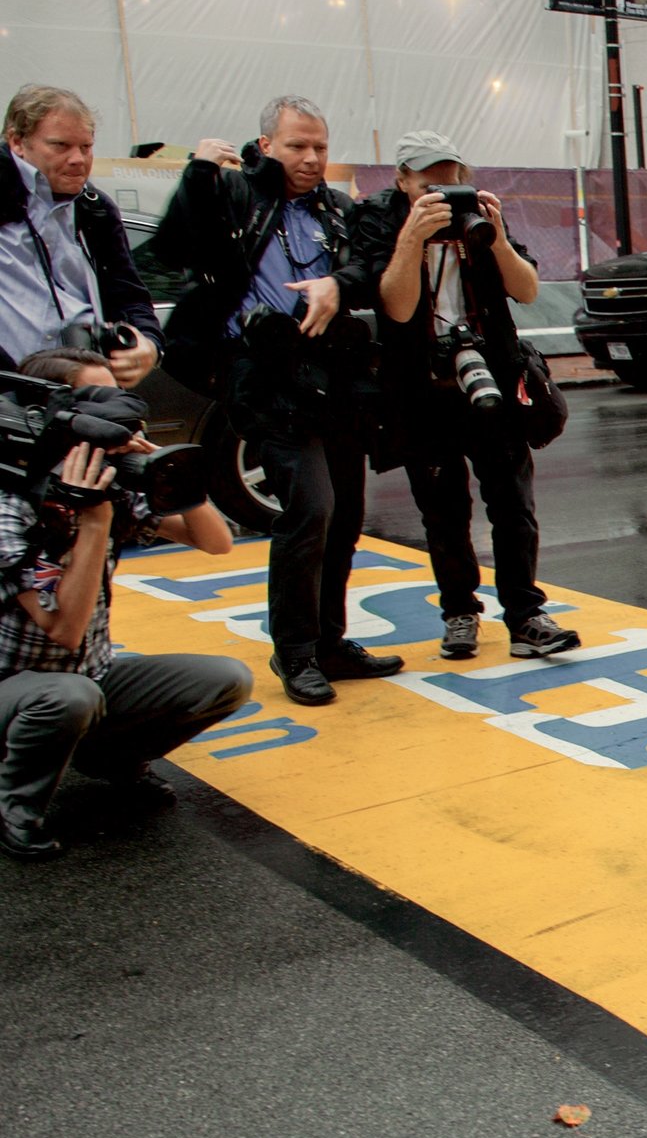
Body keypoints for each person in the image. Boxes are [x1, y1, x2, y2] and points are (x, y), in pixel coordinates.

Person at [152, 94, 401, 708]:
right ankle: (294, 651)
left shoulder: (337, 210)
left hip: (335, 375)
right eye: (297, 146)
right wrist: (199, 172)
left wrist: (336, 285)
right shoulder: (235, 195)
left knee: (343, 513)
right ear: (265, 146)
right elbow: (174, 244)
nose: (312, 158)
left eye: (319, 146)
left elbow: (373, 268)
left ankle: (330, 642)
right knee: (310, 509)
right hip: (263, 377)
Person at [0, 361, 250, 860]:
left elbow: (217, 542)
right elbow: (64, 632)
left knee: (227, 678)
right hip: (16, 688)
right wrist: (93, 523)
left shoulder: (107, 485)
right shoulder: (11, 505)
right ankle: (15, 808)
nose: (119, 417)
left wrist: (168, 469)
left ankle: (109, 758)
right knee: (69, 697)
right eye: (97, 403)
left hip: (88, 678)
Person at [351, 130, 577, 663]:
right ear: (403, 180)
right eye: (431, 183)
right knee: (444, 511)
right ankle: (459, 614)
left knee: (513, 504)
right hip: (421, 386)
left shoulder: (478, 217)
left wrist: (495, 238)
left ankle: (525, 616)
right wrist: (414, 238)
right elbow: (398, 308)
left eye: (455, 181)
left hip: (492, 376)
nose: (447, 194)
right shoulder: (378, 222)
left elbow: (527, 290)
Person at [0, 85, 160, 385]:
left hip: (84, 394)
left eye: (86, 147)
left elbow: (130, 296)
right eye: (60, 145)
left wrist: (148, 344)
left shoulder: (95, 211)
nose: (78, 159)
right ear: (17, 142)